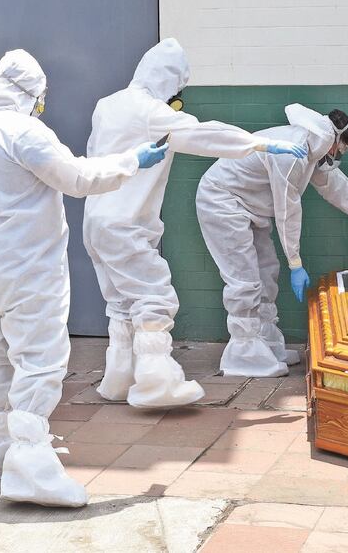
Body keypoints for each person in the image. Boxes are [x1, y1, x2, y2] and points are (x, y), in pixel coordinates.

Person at [0, 49, 167, 507]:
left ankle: (1, 451)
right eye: (41, 96)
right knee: (39, 362)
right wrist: (131, 161)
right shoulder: (25, 131)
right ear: (31, 93)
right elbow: (77, 178)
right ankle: (31, 468)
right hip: (26, 269)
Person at [83, 38, 306, 408]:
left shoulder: (107, 105)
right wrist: (260, 144)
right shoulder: (150, 110)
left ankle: (119, 381)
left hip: (96, 220)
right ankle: (157, 385)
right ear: (169, 79)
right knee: (154, 298)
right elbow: (204, 134)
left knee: (121, 303)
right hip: (127, 222)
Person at [196, 103, 348, 378]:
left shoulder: (311, 148)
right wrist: (295, 263)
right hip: (222, 200)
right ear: (334, 139)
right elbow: (287, 210)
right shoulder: (293, 154)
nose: (339, 155)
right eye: (341, 149)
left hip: (246, 205)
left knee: (266, 271)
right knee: (244, 278)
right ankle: (243, 354)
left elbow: (332, 183)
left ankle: (265, 344)